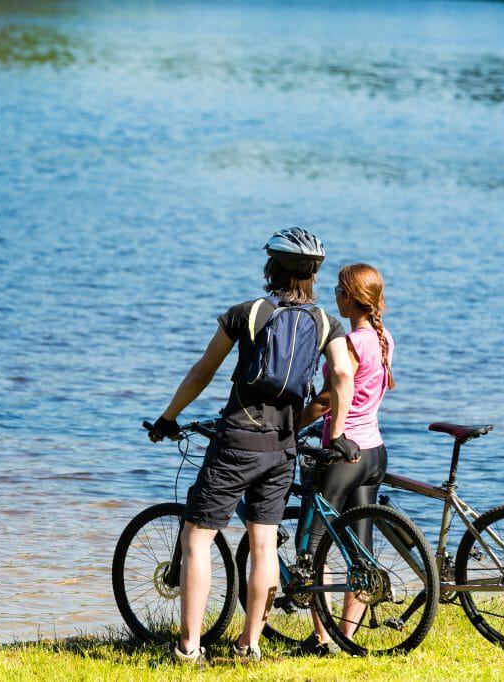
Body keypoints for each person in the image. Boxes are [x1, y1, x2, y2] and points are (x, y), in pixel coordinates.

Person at [146, 228, 357, 664]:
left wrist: (169, 417)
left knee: (197, 538)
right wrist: (336, 434)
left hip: (236, 440)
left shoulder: (248, 313)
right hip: (284, 446)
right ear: (315, 273)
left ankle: (188, 647)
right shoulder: (326, 322)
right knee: (263, 544)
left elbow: (203, 369)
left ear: (272, 266)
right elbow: (342, 375)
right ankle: (250, 644)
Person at [296, 263, 395, 656]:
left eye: (338, 290)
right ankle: (346, 637)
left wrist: (291, 425)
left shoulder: (351, 343)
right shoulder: (386, 338)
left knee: (314, 548)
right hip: (374, 452)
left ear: (351, 298)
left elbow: (327, 399)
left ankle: (323, 639)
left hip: (342, 454)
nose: (334, 295)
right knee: (361, 552)